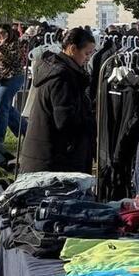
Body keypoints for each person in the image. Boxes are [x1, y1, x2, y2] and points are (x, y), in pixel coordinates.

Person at [18, 27, 97, 174]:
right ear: (73, 49)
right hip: (54, 159)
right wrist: (90, 124)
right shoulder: (62, 77)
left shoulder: (60, 71)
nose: (88, 58)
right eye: (86, 53)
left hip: (48, 155)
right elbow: (65, 120)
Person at [0, 23, 27, 139]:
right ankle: (26, 130)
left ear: (9, 34)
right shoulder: (0, 45)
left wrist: (3, 45)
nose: (0, 35)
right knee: (6, 107)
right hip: (4, 78)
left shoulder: (15, 44)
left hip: (13, 78)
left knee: (1, 107)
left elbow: (13, 59)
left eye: (3, 33)